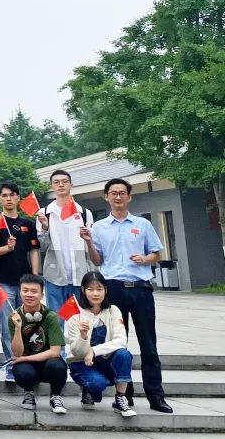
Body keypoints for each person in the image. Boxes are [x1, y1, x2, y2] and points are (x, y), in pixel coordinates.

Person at [89, 177, 172, 413]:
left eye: (122, 193)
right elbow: (97, 260)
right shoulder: (99, 227)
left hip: (141, 288)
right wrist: (88, 243)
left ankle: (156, 395)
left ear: (129, 197)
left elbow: (156, 253)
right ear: (106, 197)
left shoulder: (142, 224)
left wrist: (145, 259)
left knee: (149, 344)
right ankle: (125, 395)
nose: (118, 197)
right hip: (113, 288)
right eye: (113, 193)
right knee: (118, 343)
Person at [0, 182, 40, 375]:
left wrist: (35, 276)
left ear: (18, 198)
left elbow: (34, 250)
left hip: (25, 281)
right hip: (2, 281)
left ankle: (28, 362)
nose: (8, 199)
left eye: (12, 195)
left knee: (29, 321)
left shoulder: (27, 224)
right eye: (4, 195)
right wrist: (6, 248)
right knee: (8, 324)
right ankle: (11, 364)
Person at [65, 271, 137, 417]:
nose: (95, 293)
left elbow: (121, 341)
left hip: (105, 360)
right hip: (81, 363)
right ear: (83, 290)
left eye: (99, 289)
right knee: (97, 384)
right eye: (90, 289)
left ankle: (120, 397)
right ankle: (88, 389)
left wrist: (93, 351)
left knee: (124, 354)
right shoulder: (73, 311)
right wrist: (83, 337)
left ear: (106, 290)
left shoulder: (113, 310)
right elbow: (76, 352)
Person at [8, 273, 68, 414]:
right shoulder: (14, 316)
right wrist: (18, 328)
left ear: (42, 294)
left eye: (34, 291)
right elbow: (17, 353)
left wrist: (25, 358)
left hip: (47, 362)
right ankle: (29, 392)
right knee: (21, 372)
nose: (29, 294)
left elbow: (55, 352)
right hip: (27, 365)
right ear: (20, 292)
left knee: (58, 366)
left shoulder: (50, 316)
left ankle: (55, 395)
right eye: (25, 290)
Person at [39, 169, 95, 313]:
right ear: (51, 186)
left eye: (65, 181)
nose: (61, 185)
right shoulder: (45, 213)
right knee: (57, 320)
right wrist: (45, 228)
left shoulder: (84, 213)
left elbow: (91, 245)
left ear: (71, 185)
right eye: (56, 182)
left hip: (81, 276)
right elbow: (41, 247)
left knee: (80, 319)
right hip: (54, 276)